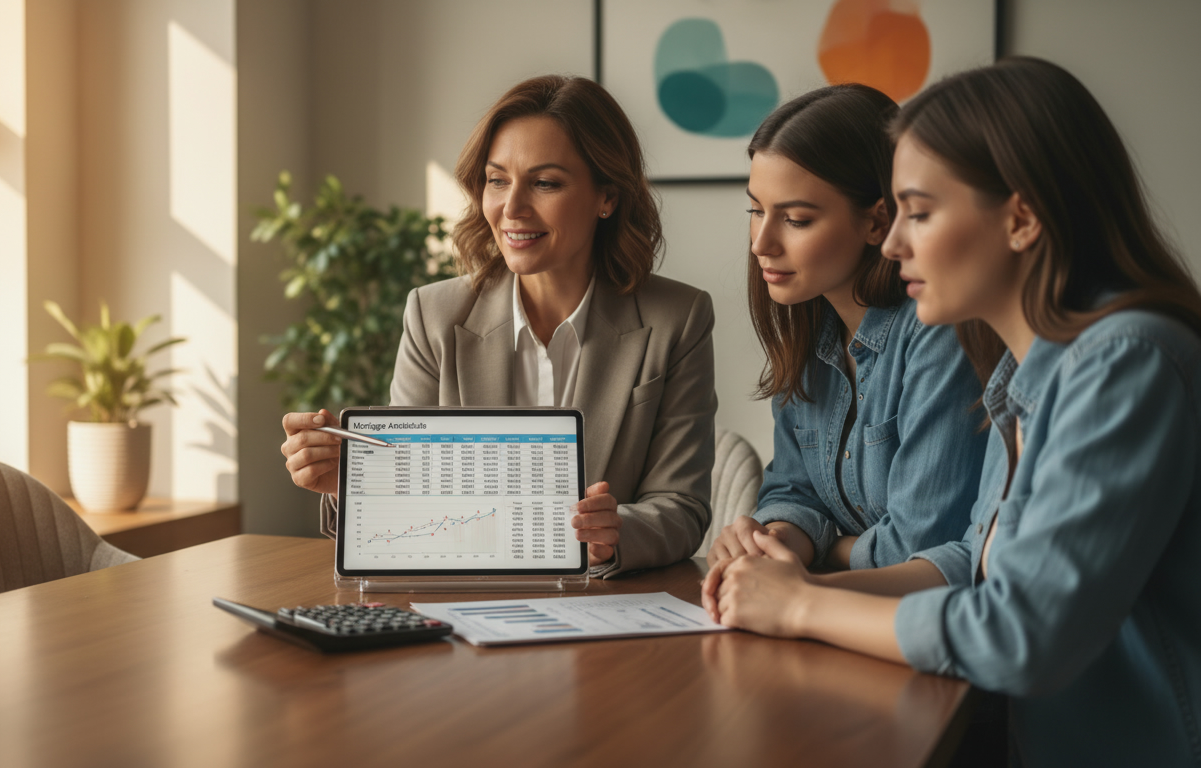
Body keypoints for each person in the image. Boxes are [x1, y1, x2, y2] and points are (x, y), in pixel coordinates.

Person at [704, 57, 1201, 766]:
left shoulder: (1127, 361)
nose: (894, 241)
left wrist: (802, 605)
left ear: (1022, 218)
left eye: (920, 212)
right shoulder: (1025, 368)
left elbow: (1020, 637)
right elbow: (972, 561)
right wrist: (784, 582)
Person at [281, 75, 717, 578]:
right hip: (465, 610)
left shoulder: (678, 319)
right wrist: (350, 480)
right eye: (497, 180)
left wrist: (613, 534)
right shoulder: (433, 314)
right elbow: (406, 497)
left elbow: (682, 507)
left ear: (607, 197)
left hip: (605, 612)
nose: (511, 209)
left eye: (545, 183)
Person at [705, 84, 986, 574]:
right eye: (756, 211)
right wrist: (772, 539)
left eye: (795, 219)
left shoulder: (939, 333)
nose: (761, 243)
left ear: (878, 223)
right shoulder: (809, 330)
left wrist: (826, 550)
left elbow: (923, 545)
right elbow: (793, 489)